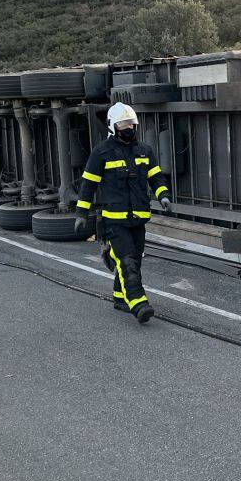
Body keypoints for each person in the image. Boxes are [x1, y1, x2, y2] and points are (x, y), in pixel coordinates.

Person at [74, 103, 170, 324]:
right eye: (123, 124)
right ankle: (138, 302)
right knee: (127, 261)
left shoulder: (145, 151)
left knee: (133, 260)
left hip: (138, 219)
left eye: (131, 124)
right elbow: (88, 185)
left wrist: (163, 195)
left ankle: (120, 297)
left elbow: (155, 177)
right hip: (113, 221)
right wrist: (81, 212)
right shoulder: (101, 153)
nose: (128, 128)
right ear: (112, 126)